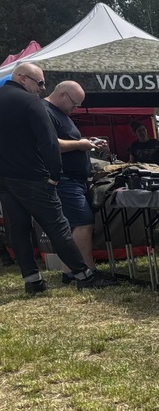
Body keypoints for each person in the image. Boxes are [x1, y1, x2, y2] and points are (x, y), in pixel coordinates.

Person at [0, 63, 114, 293]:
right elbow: (49, 143)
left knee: (19, 228)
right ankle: (84, 275)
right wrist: (53, 176)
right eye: (39, 83)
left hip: (5, 178)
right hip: (33, 175)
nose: (42, 88)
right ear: (22, 78)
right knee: (58, 226)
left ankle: (33, 281)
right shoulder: (31, 103)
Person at [45, 80, 108, 275]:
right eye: (75, 103)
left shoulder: (60, 113)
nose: (76, 108)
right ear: (62, 94)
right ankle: (87, 271)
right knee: (84, 224)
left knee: (77, 225)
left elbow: (66, 141)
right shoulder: (45, 111)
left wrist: (87, 142)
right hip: (65, 179)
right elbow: (50, 144)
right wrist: (81, 145)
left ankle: (70, 271)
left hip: (74, 179)